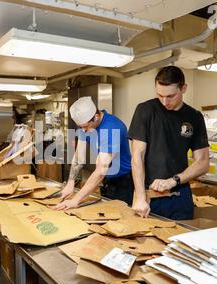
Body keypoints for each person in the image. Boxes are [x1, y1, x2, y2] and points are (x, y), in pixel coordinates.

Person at [129, 66, 209, 220]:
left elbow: (203, 163)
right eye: (160, 95)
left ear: (183, 88)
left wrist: (173, 181)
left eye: (170, 96)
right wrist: (139, 197)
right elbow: (137, 155)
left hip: (180, 194)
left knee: (180, 241)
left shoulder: (194, 117)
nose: (164, 102)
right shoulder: (145, 110)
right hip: (148, 194)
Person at [54, 96, 132, 211]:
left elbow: (101, 170)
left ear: (96, 117)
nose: (83, 131)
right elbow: (78, 157)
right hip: (107, 181)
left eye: (85, 127)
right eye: (81, 127)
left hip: (124, 182)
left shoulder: (111, 129)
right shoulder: (85, 125)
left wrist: (75, 200)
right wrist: (70, 183)